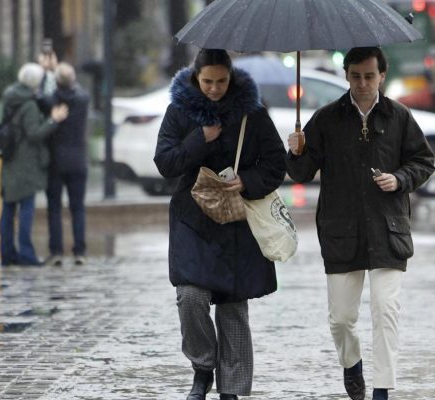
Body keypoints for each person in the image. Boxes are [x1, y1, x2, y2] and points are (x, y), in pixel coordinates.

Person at [285, 47, 435, 400]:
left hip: (388, 230)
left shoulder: (399, 116)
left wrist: (399, 179)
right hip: (341, 231)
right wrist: (296, 151)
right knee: (340, 319)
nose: (363, 83)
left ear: (382, 75)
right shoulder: (326, 118)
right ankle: (351, 365)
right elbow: (301, 173)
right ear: (346, 75)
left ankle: (382, 389)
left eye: (370, 76)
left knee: (386, 311)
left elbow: (423, 161)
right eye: (356, 76)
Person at [153, 49, 286, 400]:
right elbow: (165, 162)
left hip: (237, 221)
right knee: (190, 296)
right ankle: (202, 367)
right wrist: (200, 138)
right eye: (207, 81)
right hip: (191, 219)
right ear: (196, 77)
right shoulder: (179, 111)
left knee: (233, 307)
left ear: (231, 77)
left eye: (221, 81)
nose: (214, 88)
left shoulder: (252, 113)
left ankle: (233, 390)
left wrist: (246, 180)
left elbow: (275, 163)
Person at [0, 63, 69, 266]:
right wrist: (52, 121)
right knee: (26, 210)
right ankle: (27, 255)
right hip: (26, 164)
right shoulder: (28, 105)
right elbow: (34, 134)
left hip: (10, 161)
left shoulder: (10, 97)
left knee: (8, 208)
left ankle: (7, 254)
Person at [44, 63, 90, 267]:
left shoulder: (50, 101)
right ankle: (79, 251)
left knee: (54, 208)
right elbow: (79, 90)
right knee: (77, 208)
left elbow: (42, 94)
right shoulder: (82, 99)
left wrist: (48, 71)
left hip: (55, 162)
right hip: (78, 161)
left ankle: (56, 252)